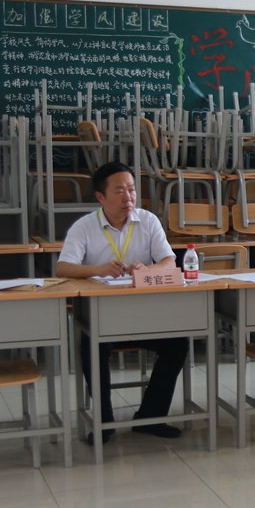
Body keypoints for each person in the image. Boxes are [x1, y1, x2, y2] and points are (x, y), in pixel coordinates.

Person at [56, 161, 187, 442]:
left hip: (146, 314)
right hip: (103, 317)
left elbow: (169, 261)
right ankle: (104, 423)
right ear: (100, 197)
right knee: (91, 347)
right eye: (119, 191)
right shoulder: (84, 227)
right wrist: (98, 269)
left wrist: (147, 269)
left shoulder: (148, 220)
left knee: (178, 344)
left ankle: (150, 417)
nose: (128, 197)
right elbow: (63, 268)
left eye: (132, 190)